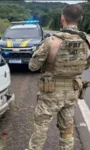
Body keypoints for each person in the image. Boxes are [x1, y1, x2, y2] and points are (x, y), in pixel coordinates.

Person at [27, 4, 90, 150]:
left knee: (41, 127)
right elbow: (86, 66)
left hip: (51, 93)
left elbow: (33, 66)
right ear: (80, 18)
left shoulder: (51, 41)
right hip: (72, 91)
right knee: (67, 128)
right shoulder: (87, 41)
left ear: (62, 18)